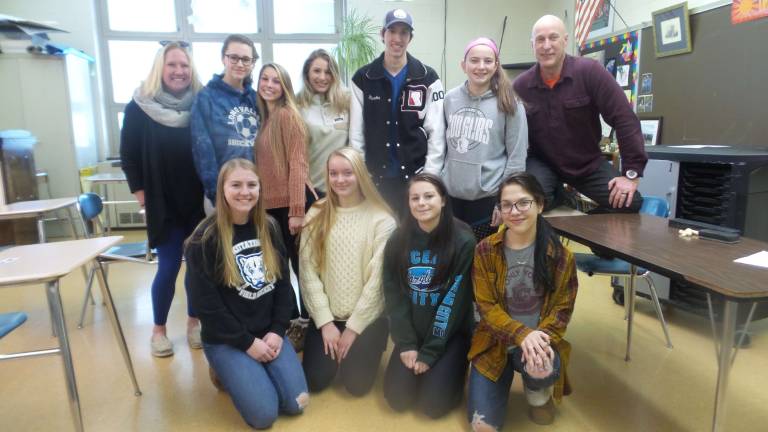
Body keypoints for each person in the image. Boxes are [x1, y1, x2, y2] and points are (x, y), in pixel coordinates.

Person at [185, 158, 308, 429]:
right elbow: (206, 307)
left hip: (267, 331)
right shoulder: (203, 238)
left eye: (252, 185)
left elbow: (283, 285)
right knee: (264, 416)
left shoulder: (270, 227)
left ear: (260, 189)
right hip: (227, 338)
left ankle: (252, 369)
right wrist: (248, 344)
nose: (245, 192)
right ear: (222, 189)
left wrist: (277, 330)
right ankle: (224, 368)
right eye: (236, 185)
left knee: (297, 403)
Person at [467, 172, 578, 430]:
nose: (514, 211)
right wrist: (521, 335)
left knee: (542, 371)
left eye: (523, 203)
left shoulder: (561, 256)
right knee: (482, 426)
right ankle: (504, 378)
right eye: (506, 205)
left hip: (539, 341)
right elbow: (486, 308)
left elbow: (562, 311)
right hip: (494, 342)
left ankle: (536, 392)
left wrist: (536, 341)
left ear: (540, 204)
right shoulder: (485, 249)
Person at [120, 41, 205, 357]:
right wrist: (143, 198)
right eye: (172, 64)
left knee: (197, 267)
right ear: (160, 68)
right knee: (168, 267)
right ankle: (159, 330)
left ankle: (194, 322)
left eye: (184, 65)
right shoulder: (139, 106)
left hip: (197, 201)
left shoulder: (200, 103)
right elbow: (128, 156)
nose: (179, 71)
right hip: (162, 201)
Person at [513, 15, 647, 212]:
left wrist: (630, 173)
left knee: (629, 202)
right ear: (532, 45)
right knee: (530, 203)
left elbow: (624, 118)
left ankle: (581, 216)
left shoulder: (590, 71)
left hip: (586, 164)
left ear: (565, 40)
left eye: (553, 37)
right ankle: (560, 197)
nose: (547, 45)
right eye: (540, 40)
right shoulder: (521, 86)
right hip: (543, 163)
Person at [299, 147, 396, 396]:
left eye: (347, 173)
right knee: (316, 381)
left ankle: (368, 347)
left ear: (360, 174)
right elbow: (308, 272)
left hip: (366, 319)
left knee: (356, 386)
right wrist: (325, 323)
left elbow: (378, 282)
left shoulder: (382, 219)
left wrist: (353, 328)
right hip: (329, 316)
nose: (339, 179)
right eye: (333, 173)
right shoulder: (316, 213)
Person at [382, 173, 476, 418]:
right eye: (415, 198)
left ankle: (456, 368)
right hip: (414, 331)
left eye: (429, 196)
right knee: (397, 399)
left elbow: (453, 302)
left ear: (443, 200)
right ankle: (427, 371)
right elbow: (394, 295)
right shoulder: (397, 240)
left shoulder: (463, 240)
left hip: (450, 333)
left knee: (433, 407)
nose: (421, 203)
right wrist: (406, 343)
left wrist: (430, 352)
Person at [349, 8, 445, 216]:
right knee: (381, 233)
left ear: (410, 38)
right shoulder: (363, 78)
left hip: (416, 179)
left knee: (414, 233)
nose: (397, 38)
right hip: (376, 180)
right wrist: (363, 177)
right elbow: (356, 135)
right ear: (382, 34)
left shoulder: (428, 78)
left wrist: (429, 177)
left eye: (404, 32)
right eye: (392, 31)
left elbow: (436, 134)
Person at [438, 37, 528, 240]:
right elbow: (441, 147)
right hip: (451, 198)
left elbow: (516, 157)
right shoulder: (450, 99)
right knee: (452, 255)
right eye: (474, 60)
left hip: (487, 201)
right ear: (463, 65)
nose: (481, 66)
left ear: (496, 66)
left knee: (480, 256)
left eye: (488, 61)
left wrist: (504, 201)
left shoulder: (510, 103)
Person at [254, 62, 314, 319]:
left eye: (276, 80)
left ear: (285, 86)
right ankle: (291, 321)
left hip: (292, 205)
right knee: (279, 268)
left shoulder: (287, 115)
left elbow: (298, 163)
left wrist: (297, 211)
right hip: (271, 206)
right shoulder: (266, 119)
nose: (269, 85)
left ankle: (310, 322)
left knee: (302, 268)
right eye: (265, 79)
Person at [191, 34, 259, 205]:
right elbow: (202, 149)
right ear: (223, 58)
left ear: (252, 63)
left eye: (246, 59)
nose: (240, 64)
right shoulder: (206, 97)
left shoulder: (256, 99)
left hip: (253, 191)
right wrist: (216, 193)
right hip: (222, 193)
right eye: (234, 57)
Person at [297, 49, 350, 196]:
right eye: (317, 71)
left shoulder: (347, 102)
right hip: (311, 190)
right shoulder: (297, 106)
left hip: (343, 188)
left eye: (328, 72)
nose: (322, 77)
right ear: (307, 73)